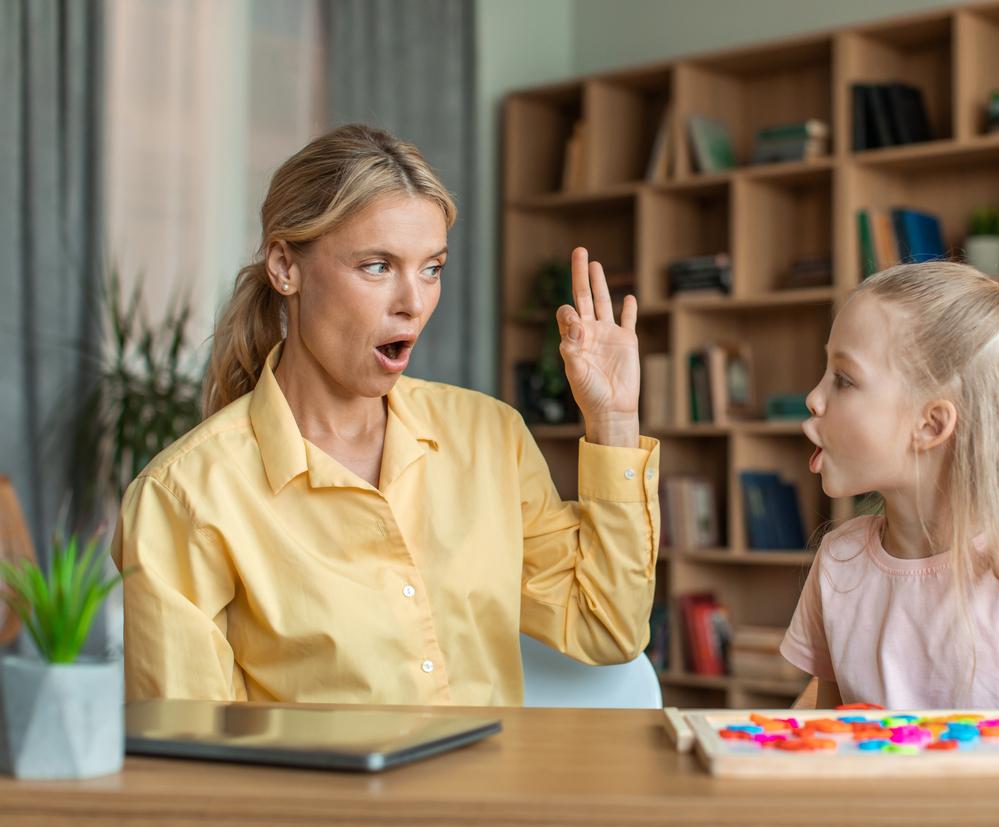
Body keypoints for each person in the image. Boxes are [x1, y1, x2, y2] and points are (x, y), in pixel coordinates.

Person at [113, 124, 660, 706]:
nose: (414, 303)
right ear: (284, 267)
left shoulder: (491, 437)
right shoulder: (184, 497)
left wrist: (614, 422)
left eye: (432, 268)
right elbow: (195, 755)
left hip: (485, 794)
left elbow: (607, 627)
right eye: (377, 266)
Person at [784, 262, 999, 710]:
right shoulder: (838, 562)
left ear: (931, 425)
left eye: (844, 379)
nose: (813, 398)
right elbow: (828, 746)